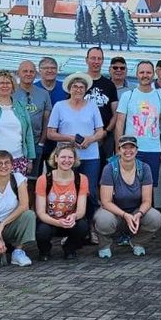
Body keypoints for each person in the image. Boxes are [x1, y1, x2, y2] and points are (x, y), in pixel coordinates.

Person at [46, 72, 104, 241]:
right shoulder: (59, 106)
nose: (78, 90)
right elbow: (50, 133)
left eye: (81, 87)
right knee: (68, 192)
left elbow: (100, 131)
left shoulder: (92, 106)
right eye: (75, 87)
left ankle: (92, 228)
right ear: (69, 89)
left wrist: (90, 139)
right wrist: (70, 138)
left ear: (86, 90)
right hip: (66, 158)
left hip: (90, 155)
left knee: (91, 193)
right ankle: (68, 229)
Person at [94, 135, 161, 258]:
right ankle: (105, 245)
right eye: (124, 148)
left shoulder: (144, 168)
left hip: (136, 211)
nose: (128, 151)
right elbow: (106, 202)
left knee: (155, 217)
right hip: (114, 212)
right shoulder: (110, 168)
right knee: (103, 219)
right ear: (119, 150)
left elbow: (147, 200)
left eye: (132, 148)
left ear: (137, 150)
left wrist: (139, 214)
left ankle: (138, 242)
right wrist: (125, 215)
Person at [115, 60, 161, 189]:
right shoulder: (127, 96)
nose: (145, 75)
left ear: (153, 74)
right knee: (130, 186)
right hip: (131, 150)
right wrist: (118, 148)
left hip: (153, 150)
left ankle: (148, 210)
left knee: (149, 187)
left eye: (148, 72)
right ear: (137, 74)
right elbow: (119, 123)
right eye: (142, 72)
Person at [34, 143, 89, 260]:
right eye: (63, 157)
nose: (67, 160)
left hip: (70, 220)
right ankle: (44, 251)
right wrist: (57, 222)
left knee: (83, 226)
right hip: (49, 221)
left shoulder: (81, 179)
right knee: (42, 231)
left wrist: (74, 216)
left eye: (70, 157)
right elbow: (40, 212)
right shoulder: (44, 179)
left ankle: (70, 248)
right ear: (56, 158)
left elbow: (81, 210)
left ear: (74, 160)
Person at [14, 60, 52, 180]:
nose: (28, 74)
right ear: (18, 73)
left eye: (31, 71)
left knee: (32, 181)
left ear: (36, 74)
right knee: (14, 180)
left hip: (35, 144)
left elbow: (47, 120)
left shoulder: (44, 94)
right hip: (15, 144)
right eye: (25, 71)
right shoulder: (10, 92)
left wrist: (41, 142)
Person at [85, 47, 119, 164]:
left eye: (99, 59)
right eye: (93, 58)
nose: (96, 61)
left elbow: (115, 114)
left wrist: (105, 132)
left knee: (104, 172)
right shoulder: (78, 83)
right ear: (87, 60)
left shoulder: (109, 85)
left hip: (105, 138)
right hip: (83, 136)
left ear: (103, 61)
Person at [35, 56, 68, 176]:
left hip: (59, 140)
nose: (50, 71)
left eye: (53, 68)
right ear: (39, 70)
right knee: (34, 176)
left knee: (55, 176)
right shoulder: (34, 89)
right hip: (36, 139)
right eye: (46, 68)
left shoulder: (65, 88)